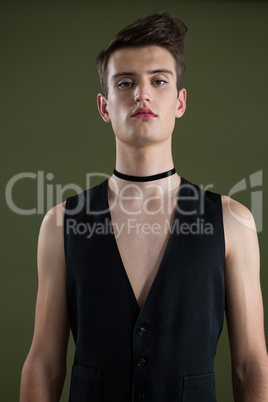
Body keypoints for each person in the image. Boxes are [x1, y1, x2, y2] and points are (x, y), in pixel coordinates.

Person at [20, 10, 268, 402]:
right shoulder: (60, 223)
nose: (142, 94)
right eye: (125, 83)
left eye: (158, 81)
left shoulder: (233, 220)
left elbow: (251, 364)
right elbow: (44, 364)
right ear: (104, 107)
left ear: (180, 102)